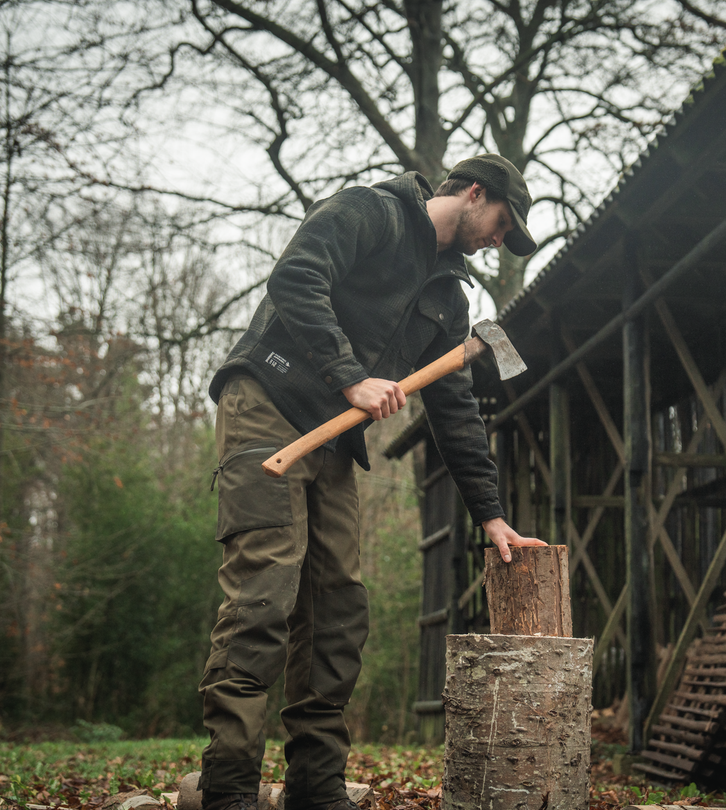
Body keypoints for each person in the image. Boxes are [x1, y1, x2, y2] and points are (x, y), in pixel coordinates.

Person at [198, 154, 547, 810]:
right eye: (504, 222)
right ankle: (229, 790)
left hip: (332, 438)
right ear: (475, 192)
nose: (501, 239)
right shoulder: (372, 211)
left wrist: (492, 515)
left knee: (337, 609)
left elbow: (456, 412)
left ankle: (317, 791)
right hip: (268, 401)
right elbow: (296, 277)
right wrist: (348, 374)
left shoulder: (449, 299)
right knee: (265, 595)